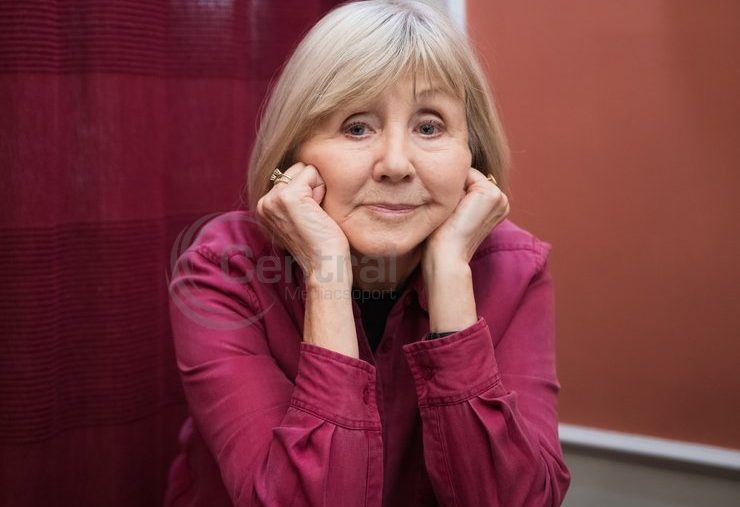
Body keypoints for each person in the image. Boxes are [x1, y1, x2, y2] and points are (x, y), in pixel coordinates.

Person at [164, 1, 571, 505]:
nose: (396, 164)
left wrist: (450, 276)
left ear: (473, 157)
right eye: (357, 127)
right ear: (292, 158)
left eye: (429, 127)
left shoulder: (516, 269)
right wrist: (326, 272)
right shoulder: (223, 271)